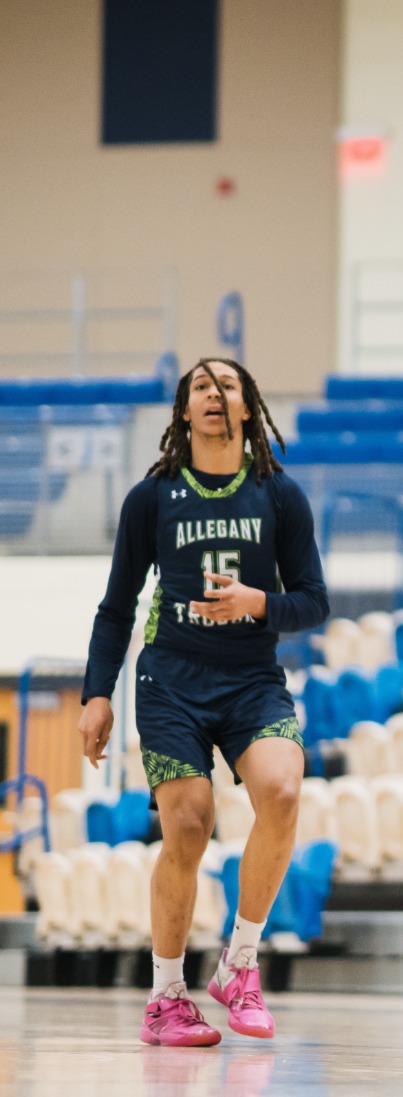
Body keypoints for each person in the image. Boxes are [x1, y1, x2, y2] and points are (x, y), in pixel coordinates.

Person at [79, 359, 327, 1048]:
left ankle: (240, 963)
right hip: (171, 682)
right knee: (189, 824)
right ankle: (166, 996)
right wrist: (97, 692)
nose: (215, 395)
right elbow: (115, 607)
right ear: (184, 412)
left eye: (229, 386)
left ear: (249, 406)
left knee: (281, 789)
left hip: (251, 679)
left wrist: (260, 603)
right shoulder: (152, 498)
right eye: (200, 387)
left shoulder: (280, 496)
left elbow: (314, 599)